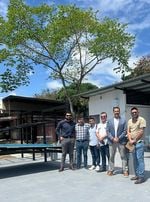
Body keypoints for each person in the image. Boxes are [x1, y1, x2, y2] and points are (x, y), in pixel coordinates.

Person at [106, 106, 128, 177]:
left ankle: (125, 170)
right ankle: (111, 170)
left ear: (119, 111)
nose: (116, 112)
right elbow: (107, 131)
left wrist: (118, 138)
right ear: (113, 112)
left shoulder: (123, 120)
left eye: (118, 111)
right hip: (112, 141)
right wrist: (112, 138)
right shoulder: (109, 120)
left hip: (121, 141)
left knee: (123, 156)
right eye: (115, 111)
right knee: (111, 156)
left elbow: (125, 131)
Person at [127, 107, 146, 184]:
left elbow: (141, 131)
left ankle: (141, 176)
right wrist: (130, 140)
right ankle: (137, 175)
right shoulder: (129, 121)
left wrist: (134, 140)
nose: (134, 113)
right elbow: (128, 131)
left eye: (135, 112)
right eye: (132, 112)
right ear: (131, 113)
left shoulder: (141, 120)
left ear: (138, 112)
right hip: (132, 144)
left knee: (140, 160)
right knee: (134, 160)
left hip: (139, 143)